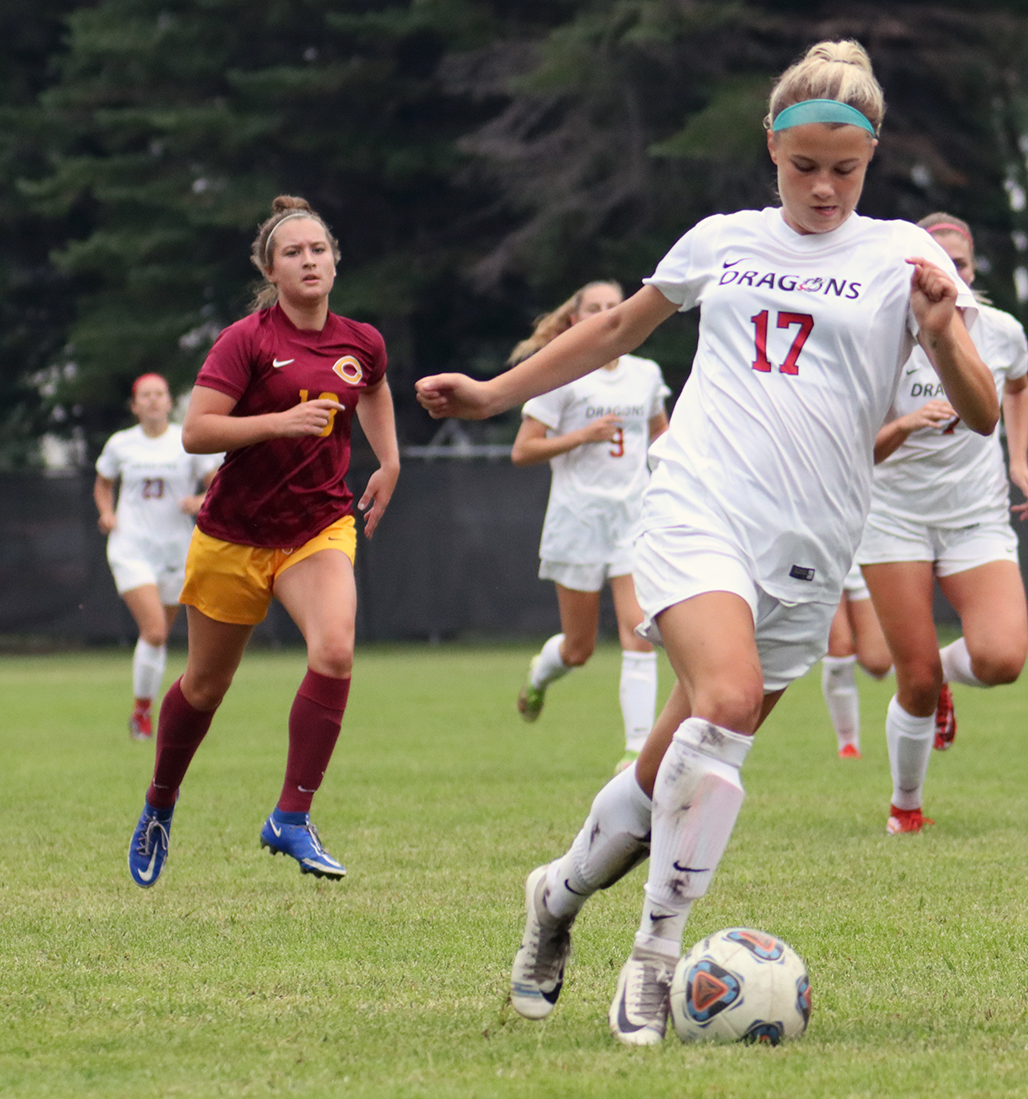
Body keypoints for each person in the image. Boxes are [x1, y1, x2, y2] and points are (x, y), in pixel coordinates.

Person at [414, 39, 998, 1044]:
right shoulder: (721, 240)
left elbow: (983, 412)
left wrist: (942, 332)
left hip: (814, 543)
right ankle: (653, 959)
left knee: (670, 768)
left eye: (843, 171)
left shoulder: (908, 257)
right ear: (771, 150)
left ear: (872, 159)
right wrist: (496, 393)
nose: (822, 188)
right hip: (696, 506)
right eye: (803, 167)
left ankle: (554, 897)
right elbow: (613, 332)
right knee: (723, 706)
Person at [124, 196, 401, 888]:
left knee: (335, 650)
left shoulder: (361, 339)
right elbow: (197, 432)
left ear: (336, 259)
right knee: (207, 685)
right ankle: (160, 799)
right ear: (271, 271)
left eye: (319, 250)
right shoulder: (245, 340)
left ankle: (291, 816)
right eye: (293, 253)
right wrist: (278, 423)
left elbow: (374, 387)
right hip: (233, 535)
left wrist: (389, 460)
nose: (309, 260)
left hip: (316, 527)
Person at [858, 211, 1028, 834]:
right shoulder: (878, 337)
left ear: (972, 270)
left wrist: (1018, 459)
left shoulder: (1000, 332)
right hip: (892, 516)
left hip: (975, 514)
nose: (950, 275)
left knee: (1001, 659)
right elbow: (857, 451)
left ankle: (940, 676)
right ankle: (905, 809)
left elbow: (1016, 390)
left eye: (959, 264)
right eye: (935, 264)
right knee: (910, 677)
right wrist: (906, 424)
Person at [509, 280, 672, 771]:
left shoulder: (645, 375)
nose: (606, 314)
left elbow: (662, 437)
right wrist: (580, 436)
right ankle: (541, 675)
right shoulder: (563, 375)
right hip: (577, 520)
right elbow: (523, 450)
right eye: (595, 308)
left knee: (639, 631)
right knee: (578, 649)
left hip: (633, 517)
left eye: (614, 307)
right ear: (577, 320)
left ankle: (636, 751)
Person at [93, 374, 221, 740]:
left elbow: (217, 484)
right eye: (145, 396)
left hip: (176, 549)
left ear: (169, 401)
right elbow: (103, 483)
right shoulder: (121, 444)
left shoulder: (186, 441)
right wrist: (106, 512)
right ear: (134, 405)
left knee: (160, 635)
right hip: (131, 547)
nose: (152, 401)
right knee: (152, 629)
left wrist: (199, 501)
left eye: (159, 394)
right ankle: (143, 713)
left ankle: (144, 710)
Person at [821, 565, 892, 758]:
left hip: (862, 558)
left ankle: (941, 672)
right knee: (839, 646)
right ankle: (848, 743)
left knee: (878, 662)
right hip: (824, 557)